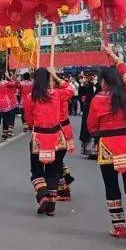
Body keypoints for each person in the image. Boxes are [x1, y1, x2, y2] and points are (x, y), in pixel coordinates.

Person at [87, 48, 126, 245]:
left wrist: (97, 133)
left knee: (111, 187)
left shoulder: (98, 99)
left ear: (104, 82)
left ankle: (119, 228)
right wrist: (115, 57)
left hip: (108, 147)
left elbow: (92, 127)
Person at [24, 67, 76, 217]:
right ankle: (51, 206)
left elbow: (28, 119)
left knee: (36, 171)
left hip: (39, 137)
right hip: (56, 137)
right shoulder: (57, 94)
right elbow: (71, 90)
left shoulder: (30, 97)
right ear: (49, 79)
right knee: (54, 172)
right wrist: (57, 77)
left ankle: (43, 195)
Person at [0, 72, 17, 142]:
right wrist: (9, 77)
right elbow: (14, 83)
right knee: (6, 120)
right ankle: (4, 136)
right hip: (6, 103)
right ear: (2, 76)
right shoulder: (6, 82)